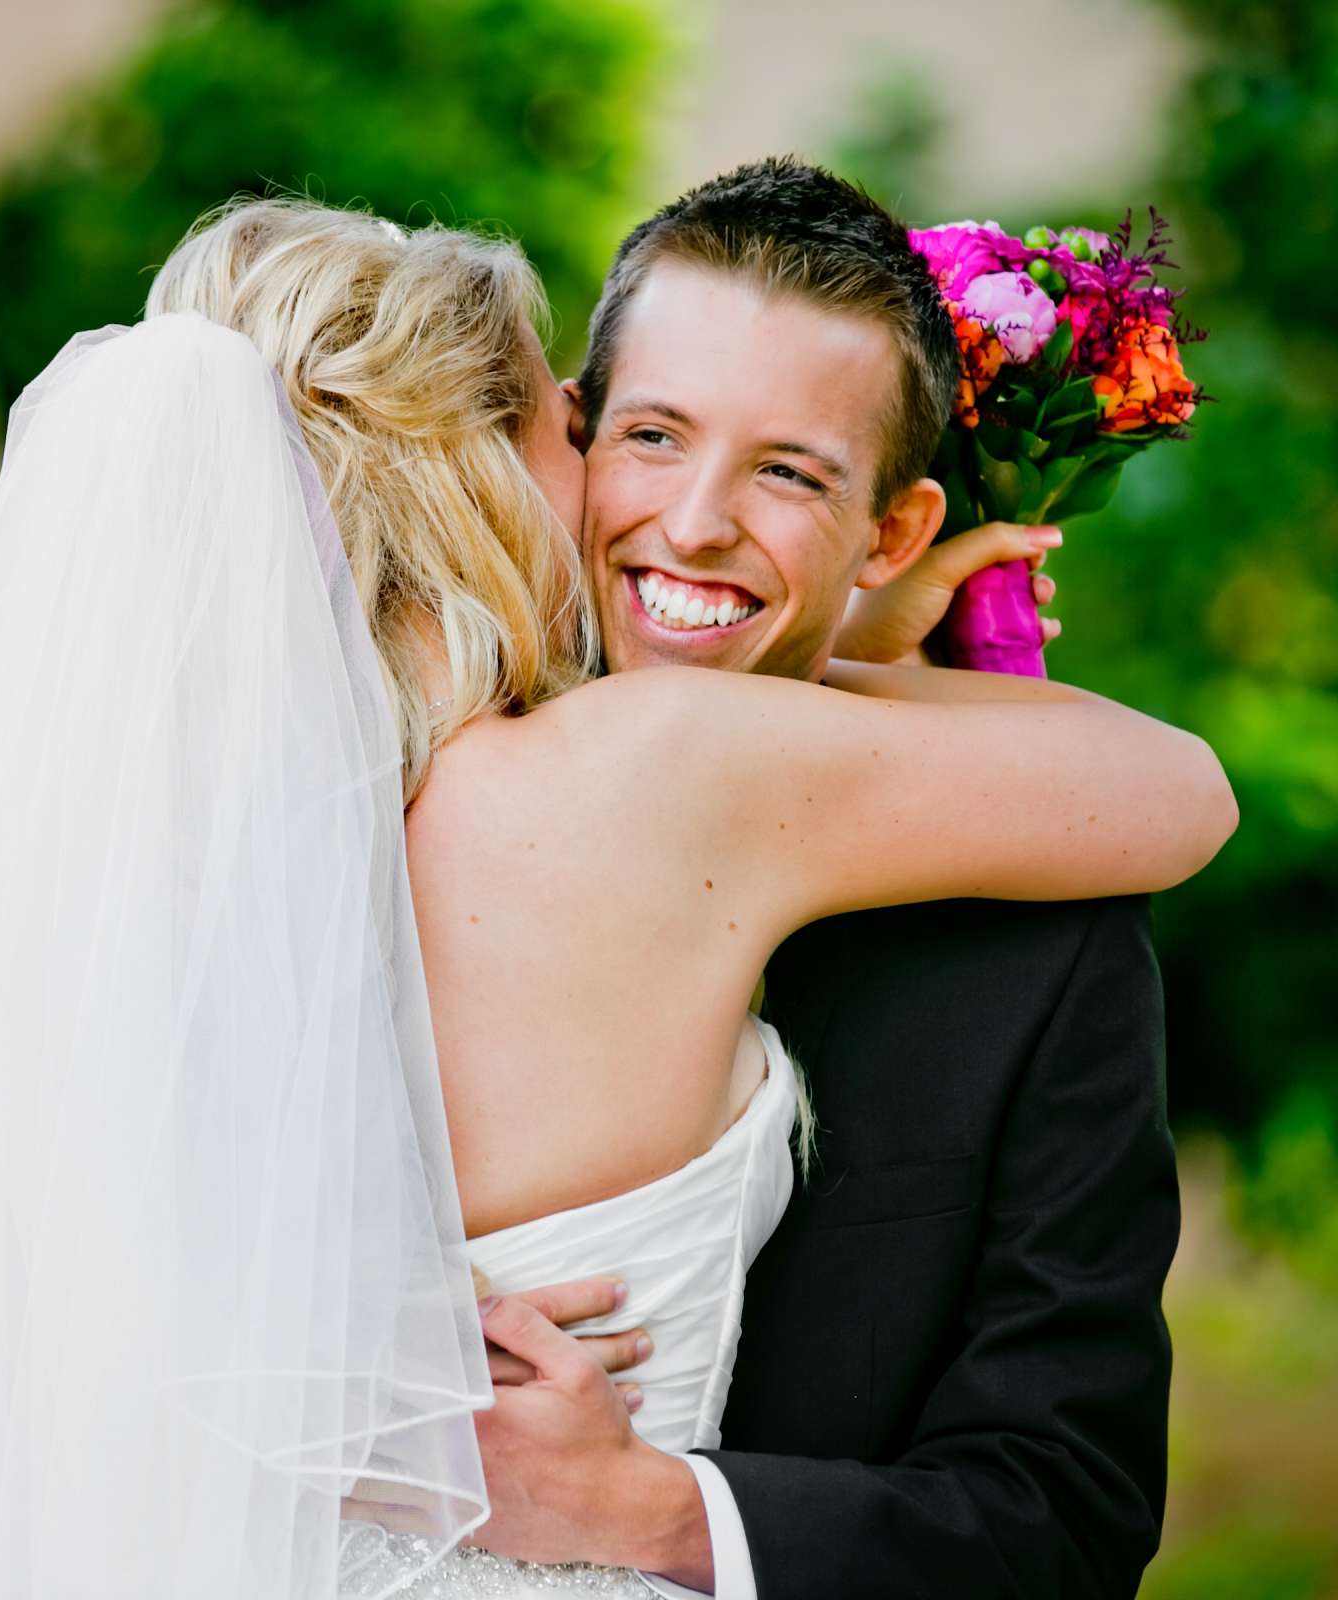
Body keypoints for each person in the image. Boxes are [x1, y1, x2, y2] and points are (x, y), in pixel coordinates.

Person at [0, 195, 1234, 1598]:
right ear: (480, 458)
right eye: (609, 431)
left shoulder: (171, 860)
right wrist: (857, 662)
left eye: (782, 472)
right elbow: (1188, 792)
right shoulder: (652, 769)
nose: (683, 523)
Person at [463, 159, 1184, 1599]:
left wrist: (664, 1515)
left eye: (789, 472)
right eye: (657, 436)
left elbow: (1065, 1512)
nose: (697, 523)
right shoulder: (395, 803)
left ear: (897, 534)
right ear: (576, 432)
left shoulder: (1045, 957)